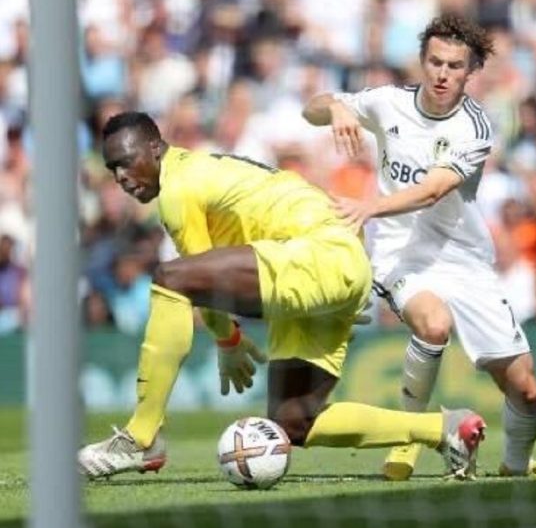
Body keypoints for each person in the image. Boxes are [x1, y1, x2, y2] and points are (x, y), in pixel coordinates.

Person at [77, 111, 486, 479]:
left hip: (318, 254)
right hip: (332, 261)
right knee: (293, 423)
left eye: (126, 162)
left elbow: (194, 280)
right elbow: (206, 279)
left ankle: (141, 436)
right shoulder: (199, 169)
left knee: (169, 276)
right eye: (112, 169)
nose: (121, 177)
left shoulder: (177, 187)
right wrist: (230, 338)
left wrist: (228, 340)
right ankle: (445, 430)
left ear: (154, 147)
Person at [303, 14, 536, 479]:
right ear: (422, 61)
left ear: (471, 73)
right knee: (433, 324)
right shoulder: (388, 102)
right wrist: (334, 106)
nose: (442, 74)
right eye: (435, 62)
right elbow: (312, 107)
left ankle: (515, 469)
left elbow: (433, 190)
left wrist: (370, 206)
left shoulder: (475, 126)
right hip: (399, 251)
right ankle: (412, 437)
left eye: (454, 66)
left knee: (526, 389)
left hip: (463, 258)